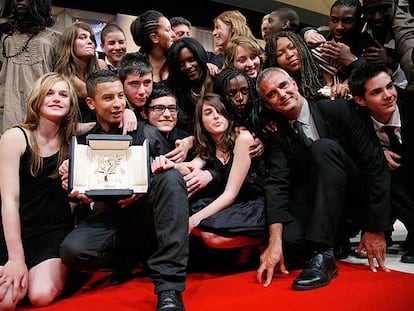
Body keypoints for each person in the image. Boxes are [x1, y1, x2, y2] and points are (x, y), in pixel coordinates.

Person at [59, 69, 188, 311]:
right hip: (111, 218)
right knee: (73, 251)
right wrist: (75, 190)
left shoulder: (147, 133)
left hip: (146, 214)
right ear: (91, 102)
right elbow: (82, 195)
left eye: (120, 96)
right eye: (108, 98)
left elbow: (175, 181)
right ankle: (127, 256)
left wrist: (153, 174)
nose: (118, 104)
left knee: (170, 178)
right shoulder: (85, 143)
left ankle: (169, 289)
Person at [255, 67, 391, 290]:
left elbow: (375, 165)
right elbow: (277, 184)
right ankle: (335, 241)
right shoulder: (279, 135)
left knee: (323, 148)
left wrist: (376, 227)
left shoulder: (338, 110)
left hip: (353, 198)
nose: (281, 94)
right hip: (318, 201)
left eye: (283, 86)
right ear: (269, 105)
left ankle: (323, 253)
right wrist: (275, 240)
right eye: (272, 94)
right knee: (289, 242)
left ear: (294, 85)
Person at [0, 72, 78, 309]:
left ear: (71, 104)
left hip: (52, 231)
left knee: (40, 296)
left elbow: (105, 121)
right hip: (14, 229)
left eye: (63, 94)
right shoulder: (15, 137)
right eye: (50, 93)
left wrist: (127, 112)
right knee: (6, 302)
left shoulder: (73, 140)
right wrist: (16, 258)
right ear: (37, 99)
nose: (56, 99)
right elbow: (9, 200)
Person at [153, 93, 266, 250]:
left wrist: (193, 221)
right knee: (187, 215)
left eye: (220, 111)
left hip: (255, 203)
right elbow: (192, 166)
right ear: (201, 122)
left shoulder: (243, 138)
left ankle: (262, 242)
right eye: (208, 113)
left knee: (209, 235)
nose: (216, 117)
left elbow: (230, 194)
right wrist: (170, 165)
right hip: (236, 202)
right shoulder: (210, 143)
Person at [349, 62, 414, 264]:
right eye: (377, 92)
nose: (388, 95)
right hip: (381, 182)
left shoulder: (410, 105)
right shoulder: (352, 117)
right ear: (360, 100)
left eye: (390, 86)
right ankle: (380, 228)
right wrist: (378, 152)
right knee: (374, 169)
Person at [119, 51, 193, 163]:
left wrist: (190, 141)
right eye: (134, 83)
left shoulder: (159, 96)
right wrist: (124, 110)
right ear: (121, 84)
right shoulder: (116, 104)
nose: (142, 91)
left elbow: (194, 128)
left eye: (147, 83)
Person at [0, 0, 61, 134]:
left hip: (42, 105)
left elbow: (61, 76)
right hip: (10, 105)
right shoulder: (6, 36)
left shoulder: (54, 38)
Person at [54, 21, 108, 123]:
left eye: (91, 38)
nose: (90, 42)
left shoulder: (101, 66)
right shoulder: (62, 74)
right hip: (72, 128)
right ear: (70, 43)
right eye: (82, 38)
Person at [361, 0, 414, 89]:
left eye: (384, 9)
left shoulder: (403, 30)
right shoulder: (357, 27)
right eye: (370, 11)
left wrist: (391, 63)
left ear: (396, 4)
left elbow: (407, 45)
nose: (377, 17)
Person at [166, 37, 214, 134]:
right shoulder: (174, 90)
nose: (187, 66)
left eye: (191, 59)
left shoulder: (215, 78)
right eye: (181, 64)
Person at [130, 10, 175, 82]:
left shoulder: (177, 62)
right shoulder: (132, 67)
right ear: (154, 38)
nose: (173, 35)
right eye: (168, 30)